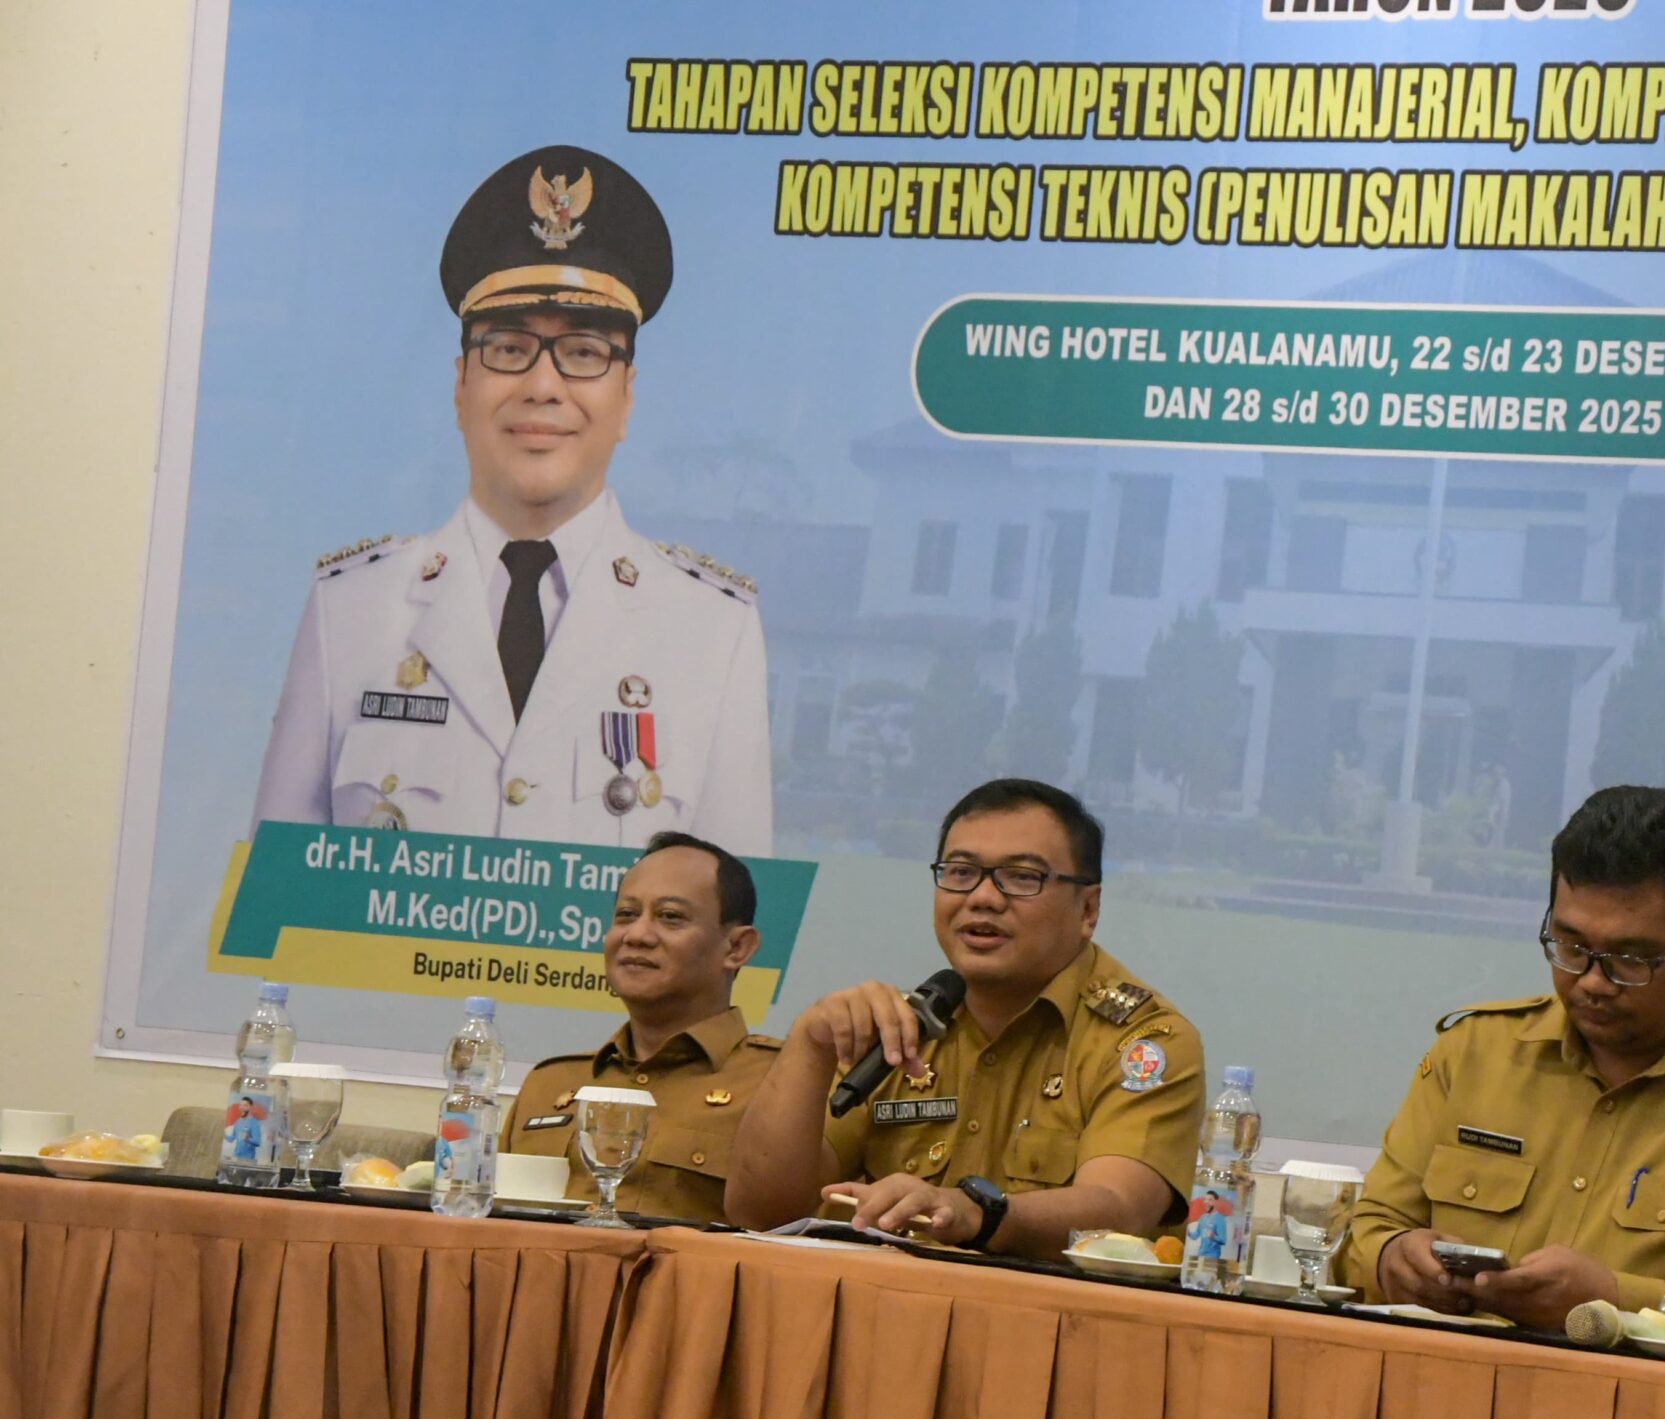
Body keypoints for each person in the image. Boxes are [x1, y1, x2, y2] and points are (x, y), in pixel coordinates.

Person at [252, 144, 773, 852]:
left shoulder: (712, 628)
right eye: (507, 348)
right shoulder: (348, 611)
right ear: (461, 384)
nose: (543, 386)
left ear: (626, 396)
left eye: (584, 352)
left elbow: (735, 914)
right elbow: (279, 903)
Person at [1341, 785, 1665, 1334]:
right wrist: (1393, 1257)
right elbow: (1366, 1230)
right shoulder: (1475, 1055)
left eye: (1630, 958)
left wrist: (1618, 1303)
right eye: (1571, 947)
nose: (1593, 982)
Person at [726, 780, 1202, 1257]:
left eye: (1022, 877)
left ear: (1088, 909)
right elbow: (761, 1213)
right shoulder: (902, 1028)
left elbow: (1119, 1209)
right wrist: (810, 1043)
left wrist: (976, 1213)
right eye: (961, 872)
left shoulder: (1142, 1041)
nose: (983, 897)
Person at [503, 831, 776, 1221]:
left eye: (670, 917)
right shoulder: (548, 1085)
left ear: (736, 947)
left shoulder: (781, 1085)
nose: (637, 935)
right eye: (626, 915)